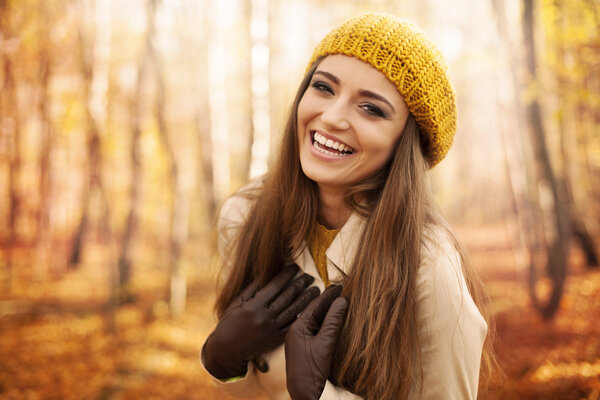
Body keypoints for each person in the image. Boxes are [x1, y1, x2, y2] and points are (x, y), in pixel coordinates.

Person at [201, 12, 493, 400]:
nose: (333, 117)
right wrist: (223, 364)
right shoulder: (243, 216)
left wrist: (319, 397)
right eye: (323, 87)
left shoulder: (428, 268)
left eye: (371, 108)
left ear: (404, 144)